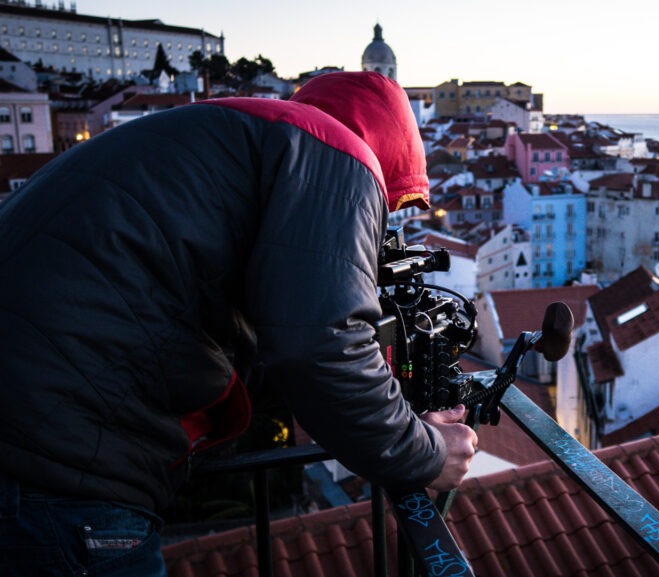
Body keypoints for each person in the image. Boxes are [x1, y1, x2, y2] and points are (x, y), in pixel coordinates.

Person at [0, 71, 477, 576]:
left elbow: (258, 346)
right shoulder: (335, 151)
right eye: (390, 206)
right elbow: (321, 346)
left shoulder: (221, 141)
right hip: (60, 468)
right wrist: (425, 452)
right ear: (386, 154)